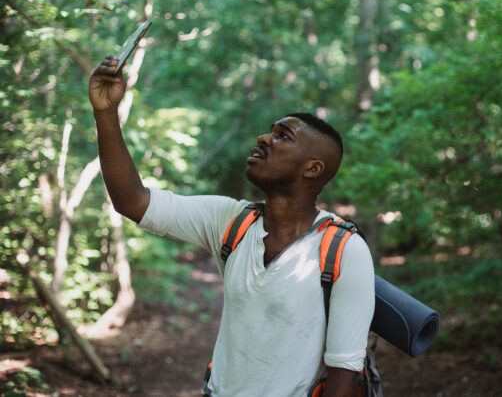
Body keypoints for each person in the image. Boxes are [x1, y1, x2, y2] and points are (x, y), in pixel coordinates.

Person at [88, 56, 375, 397]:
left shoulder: (344, 251)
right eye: (271, 131)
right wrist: (105, 113)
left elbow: (343, 378)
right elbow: (132, 201)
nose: (264, 138)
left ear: (312, 169)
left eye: (282, 136)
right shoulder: (232, 221)